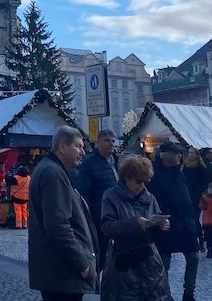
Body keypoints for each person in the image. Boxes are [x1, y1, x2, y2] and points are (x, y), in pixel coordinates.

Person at [28, 125, 99, 301]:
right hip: (62, 274)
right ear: (62, 146)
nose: (83, 152)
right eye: (78, 146)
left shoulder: (53, 169)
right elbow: (58, 227)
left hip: (58, 272)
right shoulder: (53, 172)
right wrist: (83, 266)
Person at [100, 155, 173, 301]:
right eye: (138, 181)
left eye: (145, 182)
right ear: (127, 177)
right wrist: (135, 224)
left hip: (150, 266)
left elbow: (155, 232)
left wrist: (162, 227)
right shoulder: (111, 196)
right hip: (123, 266)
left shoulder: (149, 197)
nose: (142, 186)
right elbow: (107, 228)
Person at [147, 142, 200, 301]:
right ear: (166, 155)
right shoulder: (154, 174)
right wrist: (169, 219)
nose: (179, 156)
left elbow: (185, 194)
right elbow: (156, 201)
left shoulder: (180, 173)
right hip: (167, 224)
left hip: (187, 223)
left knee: (194, 257)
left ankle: (188, 293)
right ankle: (165, 294)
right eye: (176, 153)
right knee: (164, 263)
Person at [78, 129, 118, 269]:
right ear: (97, 143)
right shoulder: (89, 164)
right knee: (99, 253)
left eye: (113, 141)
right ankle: (95, 283)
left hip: (116, 217)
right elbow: (84, 193)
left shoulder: (117, 162)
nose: (111, 144)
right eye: (107, 140)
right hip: (98, 216)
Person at [182, 146, 212, 245]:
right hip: (186, 196)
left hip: (197, 197)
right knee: (188, 219)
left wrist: (197, 188)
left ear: (197, 155)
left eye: (192, 153)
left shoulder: (201, 167)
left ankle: (200, 240)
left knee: (195, 219)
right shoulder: (184, 166)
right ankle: (191, 239)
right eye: (189, 153)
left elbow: (205, 183)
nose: (190, 155)